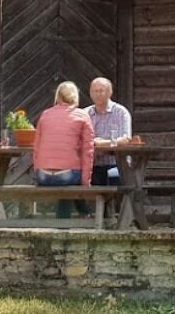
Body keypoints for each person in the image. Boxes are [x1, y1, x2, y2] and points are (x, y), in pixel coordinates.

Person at [32, 81, 94, 219]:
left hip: (43, 176)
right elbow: (88, 152)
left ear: (58, 97)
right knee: (72, 182)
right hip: (67, 175)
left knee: (69, 184)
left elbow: (36, 147)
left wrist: (37, 173)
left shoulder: (45, 115)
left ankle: (85, 214)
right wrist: (85, 182)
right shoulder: (82, 116)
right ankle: (64, 228)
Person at [84, 77, 132, 187]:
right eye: (95, 91)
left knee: (116, 176)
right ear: (90, 93)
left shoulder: (121, 112)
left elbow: (126, 139)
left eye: (101, 91)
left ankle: (118, 204)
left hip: (116, 163)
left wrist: (102, 143)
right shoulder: (85, 113)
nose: (98, 94)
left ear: (110, 92)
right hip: (92, 164)